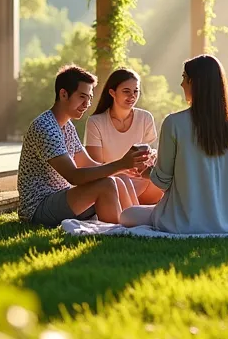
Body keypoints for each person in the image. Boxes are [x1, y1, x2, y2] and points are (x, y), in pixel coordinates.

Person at [120, 55, 228, 233]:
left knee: (126, 215)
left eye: (184, 78)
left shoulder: (174, 123)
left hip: (181, 221)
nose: (181, 84)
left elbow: (162, 181)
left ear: (194, 82)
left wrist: (147, 173)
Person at [16, 65, 153, 227]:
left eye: (89, 98)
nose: (87, 104)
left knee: (119, 178)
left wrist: (123, 169)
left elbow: (88, 164)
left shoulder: (67, 126)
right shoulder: (45, 128)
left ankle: (135, 224)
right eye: (82, 97)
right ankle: (119, 233)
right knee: (106, 184)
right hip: (39, 208)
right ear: (64, 94)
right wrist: (120, 164)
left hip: (63, 197)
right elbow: (74, 176)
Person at [85, 68, 164, 204]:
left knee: (165, 178)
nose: (132, 96)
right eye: (126, 91)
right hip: (113, 185)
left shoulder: (145, 118)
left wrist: (151, 157)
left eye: (136, 91)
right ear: (112, 92)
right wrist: (122, 169)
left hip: (144, 184)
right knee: (123, 182)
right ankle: (133, 211)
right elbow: (95, 168)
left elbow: (152, 157)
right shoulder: (96, 122)